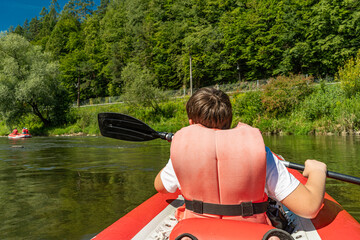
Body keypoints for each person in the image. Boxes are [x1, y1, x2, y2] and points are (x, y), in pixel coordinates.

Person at [154, 87, 327, 225]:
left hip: (197, 230)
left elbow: (161, 186)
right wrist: (317, 171)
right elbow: (309, 207)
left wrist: (180, 147)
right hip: (250, 231)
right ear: (229, 120)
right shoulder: (261, 153)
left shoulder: (183, 150)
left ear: (191, 123)